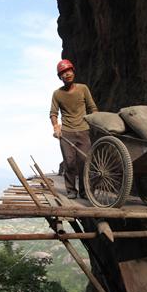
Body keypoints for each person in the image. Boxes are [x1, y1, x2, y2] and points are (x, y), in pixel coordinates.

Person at [50, 59, 98, 199]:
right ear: (60, 77)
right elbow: (53, 113)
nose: (67, 74)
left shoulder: (83, 89)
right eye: (63, 73)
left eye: (69, 71)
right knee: (69, 163)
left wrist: (95, 121)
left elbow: (92, 108)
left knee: (84, 162)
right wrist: (56, 127)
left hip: (83, 131)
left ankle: (84, 191)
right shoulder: (57, 94)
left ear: (73, 72)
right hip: (66, 133)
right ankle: (71, 190)